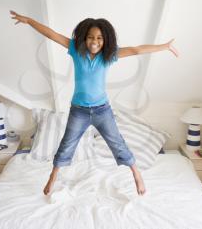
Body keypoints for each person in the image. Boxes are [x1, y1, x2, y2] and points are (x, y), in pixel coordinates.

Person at [10, 10, 178, 196]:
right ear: (84, 38)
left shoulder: (109, 56)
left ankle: (136, 174)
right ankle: (52, 177)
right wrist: (29, 20)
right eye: (90, 37)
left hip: (102, 111)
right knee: (67, 144)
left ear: (105, 39)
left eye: (99, 38)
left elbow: (137, 49)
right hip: (79, 111)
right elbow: (52, 34)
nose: (94, 41)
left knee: (118, 143)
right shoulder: (76, 50)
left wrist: (164, 47)